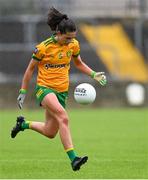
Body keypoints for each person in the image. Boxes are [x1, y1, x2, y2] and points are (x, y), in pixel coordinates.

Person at [11, 7, 107, 171]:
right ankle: (73, 159)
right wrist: (23, 91)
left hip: (62, 91)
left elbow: (78, 63)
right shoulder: (43, 47)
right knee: (64, 117)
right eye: (68, 38)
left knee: (50, 132)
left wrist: (93, 75)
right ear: (59, 33)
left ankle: (23, 124)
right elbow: (30, 70)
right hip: (45, 89)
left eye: (73, 38)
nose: (71, 41)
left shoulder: (73, 45)